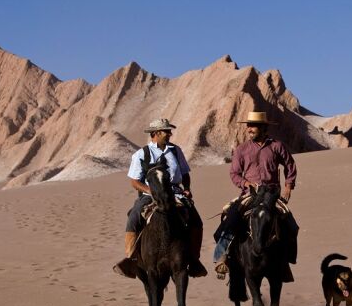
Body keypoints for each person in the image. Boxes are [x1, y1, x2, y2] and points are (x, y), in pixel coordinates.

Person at [113, 118, 207, 278]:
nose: (170, 134)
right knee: (134, 216)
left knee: (196, 221)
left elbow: (184, 174)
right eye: (166, 131)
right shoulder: (141, 154)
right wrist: (152, 191)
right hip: (150, 195)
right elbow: (135, 181)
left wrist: (187, 189)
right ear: (156, 133)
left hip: (176, 194)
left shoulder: (176, 151)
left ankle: (194, 260)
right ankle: (131, 259)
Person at [213, 111, 298, 281]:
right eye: (249, 125)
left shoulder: (277, 146)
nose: (249, 128)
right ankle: (221, 258)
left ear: (264, 128)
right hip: (250, 194)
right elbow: (235, 174)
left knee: (291, 225)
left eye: (253, 126)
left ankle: (285, 263)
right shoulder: (241, 149)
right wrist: (245, 184)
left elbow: (290, 166)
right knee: (229, 221)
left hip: (272, 194)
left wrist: (288, 187)